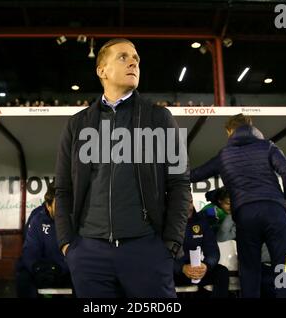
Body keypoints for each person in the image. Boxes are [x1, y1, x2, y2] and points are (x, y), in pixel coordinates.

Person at [54, 38, 191, 298]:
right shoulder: (77, 125)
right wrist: (68, 245)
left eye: (136, 58)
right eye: (123, 57)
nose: (133, 62)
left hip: (147, 252)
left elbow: (179, 183)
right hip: (89, 254)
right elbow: (63, 189)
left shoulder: (160, 118)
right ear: (101, 71)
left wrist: (170, 245)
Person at [190, 113, 286, 298]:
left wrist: (163, 175)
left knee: (250, 268)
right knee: (283, 264)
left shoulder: (224, 155)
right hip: (274, 211)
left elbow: (195, 174)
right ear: (250, 126)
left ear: (229, 131)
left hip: (245, 214)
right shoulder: (267, 146)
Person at [16, 185, 71, 298]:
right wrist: (37, 268)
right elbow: (30, 249)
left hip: (66, 269)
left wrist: (59, 268)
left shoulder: (76, 219)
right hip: (43, 268)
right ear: (48, 205)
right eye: (59, 205)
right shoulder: (37, 218)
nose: (63, 210)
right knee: (23, 274)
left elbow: (80, 252)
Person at [174, 199, 229, 298]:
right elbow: (159, 257)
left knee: (221, 272)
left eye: (190, 202)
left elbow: (213, 251)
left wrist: (206, 265)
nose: (189, 207)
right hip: (175, 271)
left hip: (198, 269)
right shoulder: (166, 224)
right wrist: (181, 268)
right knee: (159, 272)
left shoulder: (201, 221)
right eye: (184, 202)